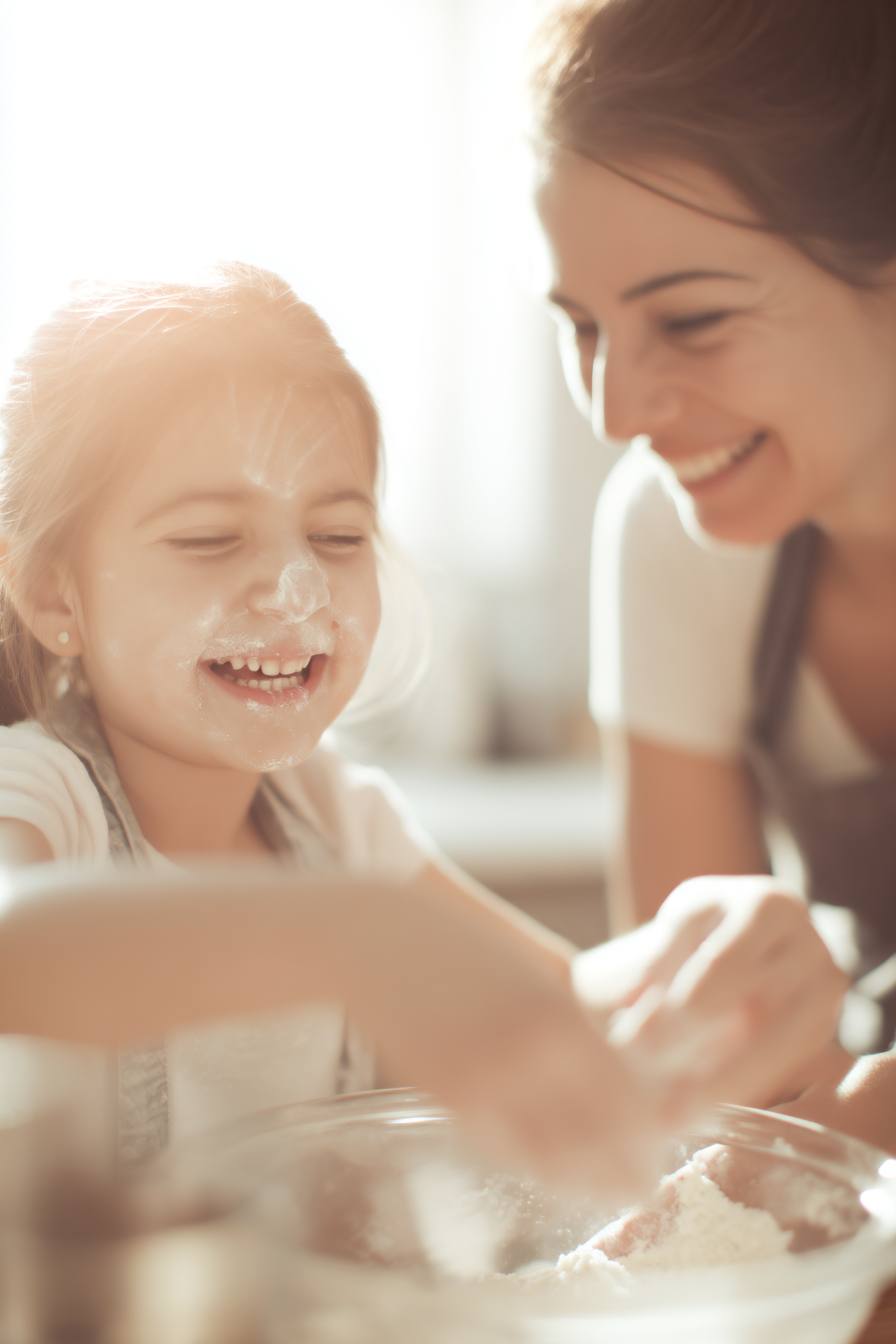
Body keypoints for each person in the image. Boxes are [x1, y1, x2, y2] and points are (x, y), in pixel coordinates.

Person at [0, 263, 842, 1191]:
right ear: (51, 592)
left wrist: (703, 959)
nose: (300, 589)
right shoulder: (42, 797)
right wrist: (355, 937)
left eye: (338, 536)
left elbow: (558, 1014)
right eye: (208, 538)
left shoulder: (336, 818)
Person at [530, 0, 896, 1149]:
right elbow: (727, 1101)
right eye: (581, 326)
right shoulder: (673, 529)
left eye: (688, 320)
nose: (615, 412)